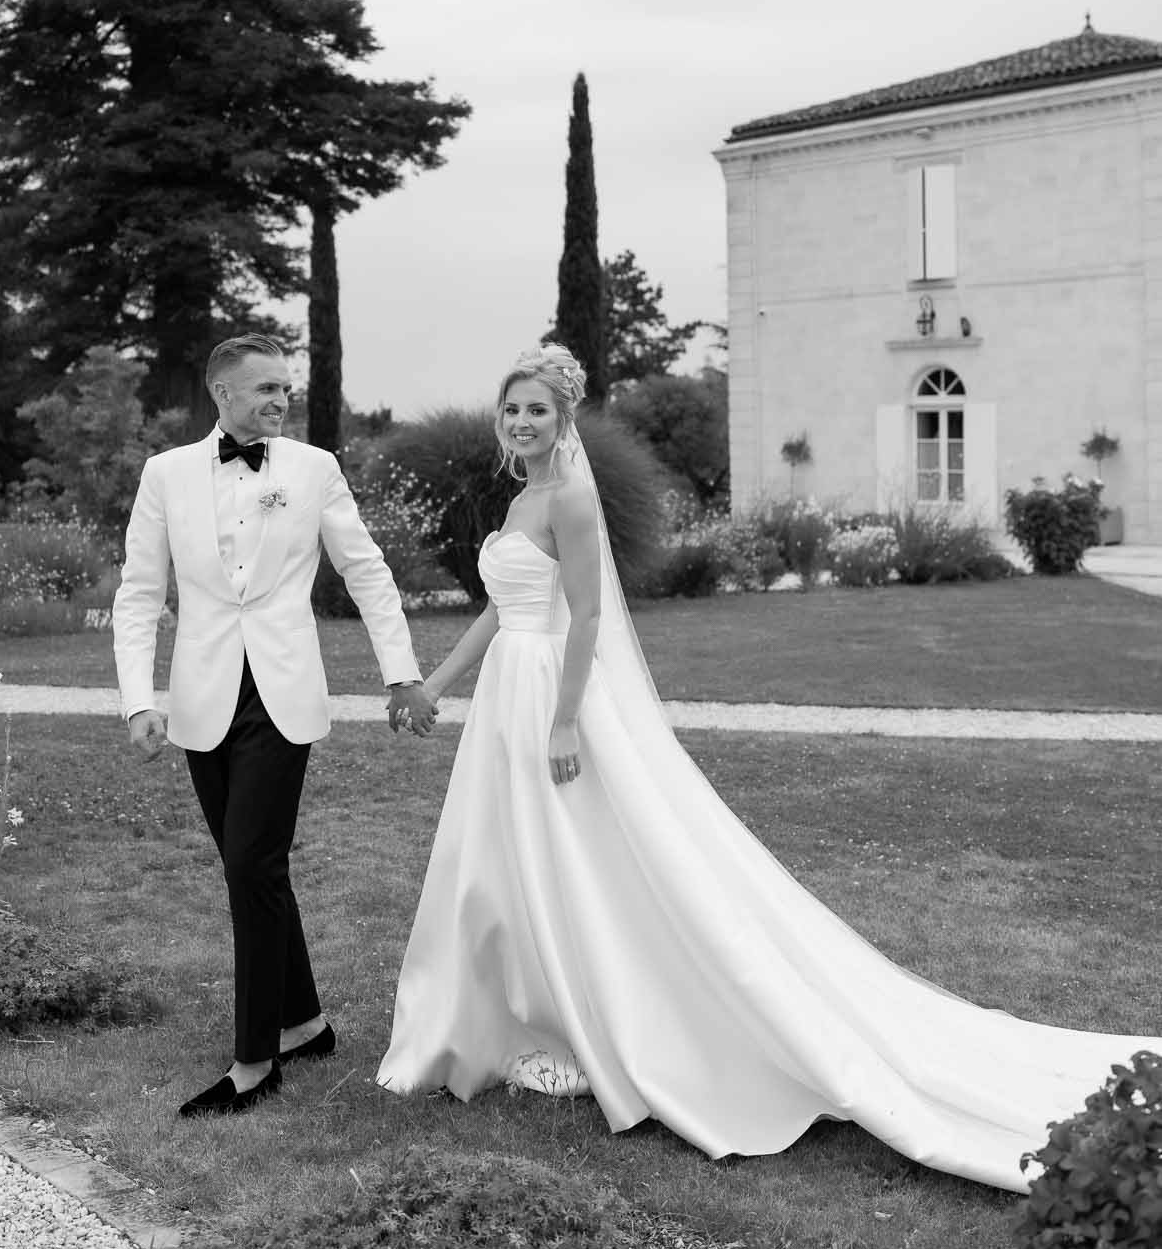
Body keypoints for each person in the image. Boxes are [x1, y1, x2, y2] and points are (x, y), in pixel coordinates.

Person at [377, 343, 1161, 1194]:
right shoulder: (522, 494)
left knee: (578, 854)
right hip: (504, 693)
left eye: (535, 408)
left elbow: (590, 616)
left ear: (562, 417)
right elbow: (502, 611)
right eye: (511, 409)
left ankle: (605, 1019)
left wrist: (565, 721)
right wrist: (433, 685)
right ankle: (527, 1018)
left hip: (552, 696)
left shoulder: (568, 497)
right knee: (501, 856)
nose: (520, 421)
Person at [114, 334, 436, 1118]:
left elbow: (366, 570)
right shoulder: (165, 474)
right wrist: (137, 698)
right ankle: (308, 1023)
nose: (277, 399)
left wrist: (401, 672)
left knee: (251, 867)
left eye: (282, 388)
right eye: (262, 388)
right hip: (200, 698)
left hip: (284, 694)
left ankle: (254, 1061)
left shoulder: (312, 468)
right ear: (219, 393)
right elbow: (137, 591)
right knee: (251, 867)